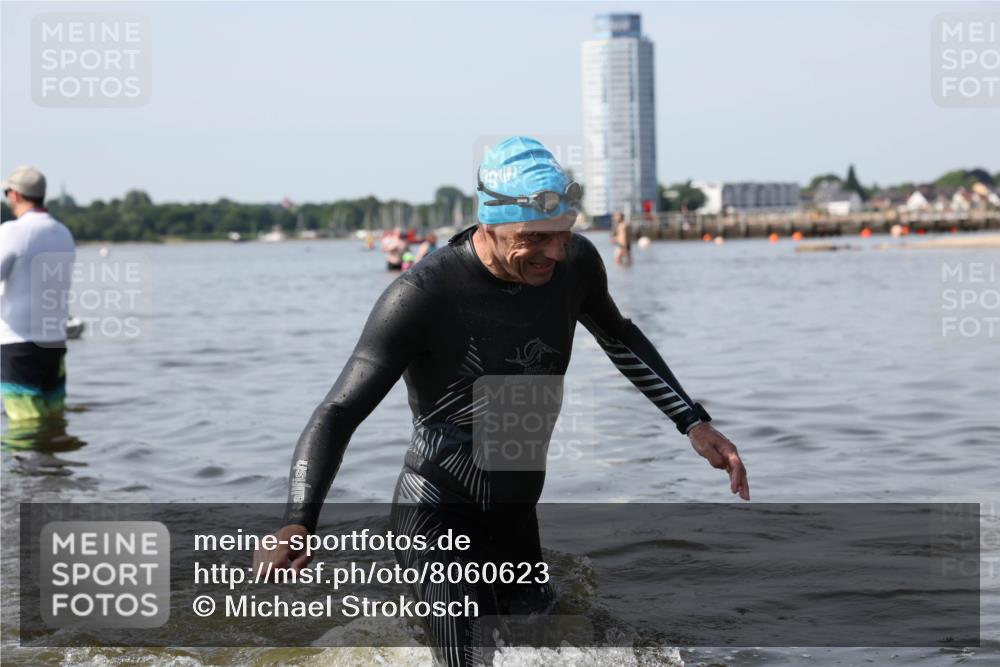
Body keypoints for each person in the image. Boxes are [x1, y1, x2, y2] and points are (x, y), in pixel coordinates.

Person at [256, 136, 749, 666]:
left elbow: (619, 336)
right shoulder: (422, 296)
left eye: (563, 235)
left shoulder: (575, 264)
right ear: (489, 224)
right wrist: (298, 520)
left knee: (559, 651)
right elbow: (338, 412)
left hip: (516, 518)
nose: (555, 253)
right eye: (535, 237)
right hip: (437, 516)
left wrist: (692, 423)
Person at [1, 166, 76, 421]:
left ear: (15, 195)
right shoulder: (62, 232)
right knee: (53, 419)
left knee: (26, 427)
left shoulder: (13, 231)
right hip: (54, 342)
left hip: (19, 344)